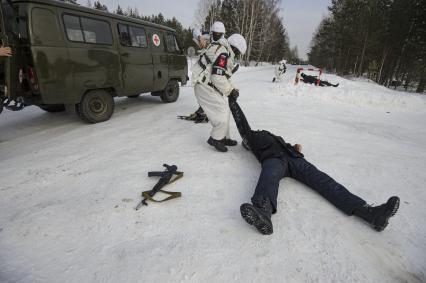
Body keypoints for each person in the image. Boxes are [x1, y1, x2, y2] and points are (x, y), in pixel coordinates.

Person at [227, 96, 400, 235]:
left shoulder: (272, 136)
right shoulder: (252, 139)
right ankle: (263, 210)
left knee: (324, 181)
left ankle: (370, 214)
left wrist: (294, 147)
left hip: (294, 158)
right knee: (269, 176)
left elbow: (286, 145)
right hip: (273, 160)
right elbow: (243, 125)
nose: (250, 139)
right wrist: (232, 102)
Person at [192, 21, 247, 152]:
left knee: (225, 110)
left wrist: (233, 89)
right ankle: (215, 138)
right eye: (238, 53)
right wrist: (230, 90)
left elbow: (223, 75)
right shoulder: (222, 53)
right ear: (234, 48)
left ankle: (224, 137)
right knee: (221, 111)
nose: (237, 56)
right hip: (204, 86)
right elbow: (217, 77)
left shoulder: (223, 51)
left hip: (208, 85)